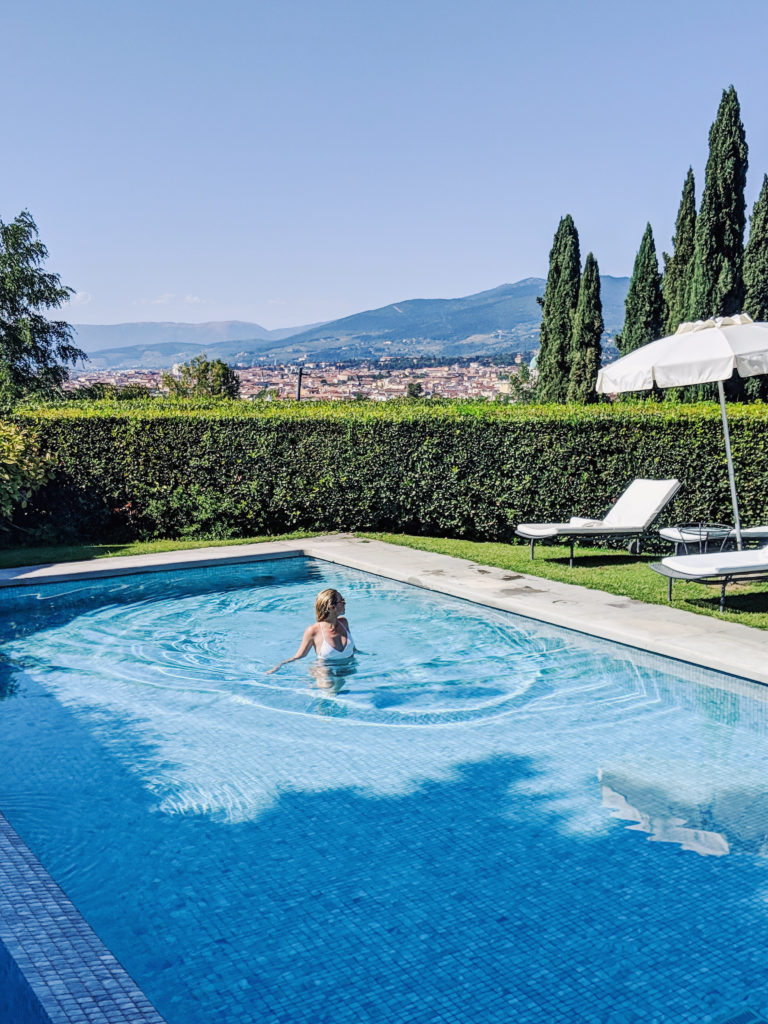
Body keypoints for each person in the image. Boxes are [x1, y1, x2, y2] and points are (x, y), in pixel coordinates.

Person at [267, 588, 355, 675]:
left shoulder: (344, 623)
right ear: (331, 607)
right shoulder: (313, 631)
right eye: (342, 601)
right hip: (325, 671)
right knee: (331, 688)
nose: (344, 603)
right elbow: (300, 655)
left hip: (348, 667)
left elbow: (353, 649)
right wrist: (280, 666)